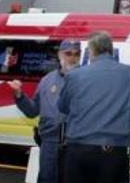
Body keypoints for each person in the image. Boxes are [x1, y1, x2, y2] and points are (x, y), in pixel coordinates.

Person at [58, 31, 130, 183]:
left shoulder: (75, 76)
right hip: (116, 149)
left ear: (91, 51)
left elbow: (62, 107)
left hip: (80, 148)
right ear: (110, 49)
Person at [9, 39, 81, 183]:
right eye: (68, 54)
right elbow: (32, 110)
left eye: (76, 54)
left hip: (75, 143)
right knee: (46, 178)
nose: (72, 58)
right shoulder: (47, 80)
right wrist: (19, 95)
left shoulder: (87, 80)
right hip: (50, 142)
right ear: (60, 55)